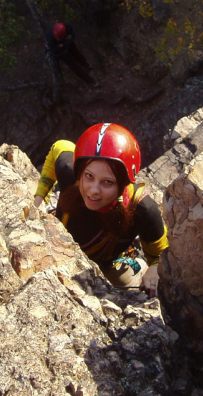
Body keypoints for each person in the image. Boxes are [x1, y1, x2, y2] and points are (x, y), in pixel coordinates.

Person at [36, 123, 168, 297]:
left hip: (109, 264)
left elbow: (161, 254)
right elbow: (59, 147)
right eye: (89, 176)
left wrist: (154, 270)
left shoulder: (142, 208)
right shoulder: (70, 174)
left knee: (141, 295)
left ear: (123, 184)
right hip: (62, 250)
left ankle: (138, 266)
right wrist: (38, 199)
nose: (93, 190)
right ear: (80, 171)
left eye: (107, 182)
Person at [45, 22, 97, 87]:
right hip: (60, 53)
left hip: (66, 45)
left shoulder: (68, 27)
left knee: (77, 53)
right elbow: (55, 50)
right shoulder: (50, 37)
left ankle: (86, 65)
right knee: (74, 65)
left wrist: (64, 43)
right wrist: (64, 42)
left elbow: (72, 37)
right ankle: (89, 81)